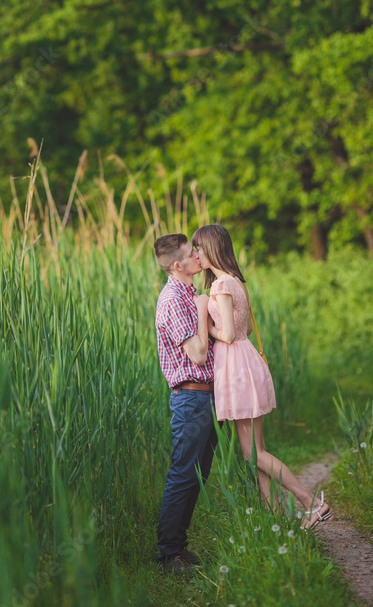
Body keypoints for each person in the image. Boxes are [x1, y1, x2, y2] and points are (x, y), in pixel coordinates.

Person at [191, 223, 332, 530]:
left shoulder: (219, 287)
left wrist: (204, 315)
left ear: (211, 248)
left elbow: (227, 334)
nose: (195, 254)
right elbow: (247, 330)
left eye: (198, 248)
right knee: (257, 451)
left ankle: (311, 503)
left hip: (236, 368)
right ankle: (273, 517)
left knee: (252, 452)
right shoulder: (235, 281)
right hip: (245, 360)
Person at [153, 233, 219, 574]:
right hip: (191, 396)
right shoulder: (174, 300)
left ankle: (178, 546)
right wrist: (201, 309)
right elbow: (197, 353)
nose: (198, 255)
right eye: (191, 253)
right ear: (177, 265)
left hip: (205, 395)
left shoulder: (189, 294)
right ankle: (168, 554)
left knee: (198, 474)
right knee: (183, 473)